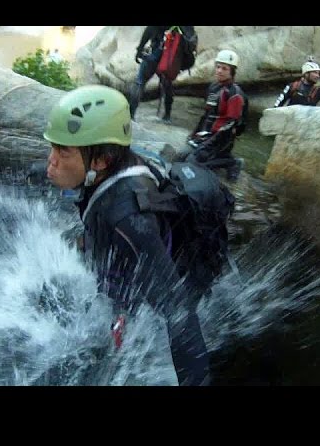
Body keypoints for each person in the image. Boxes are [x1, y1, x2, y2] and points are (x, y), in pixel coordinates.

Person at [43, 84, 212, 386]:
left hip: (148, 272)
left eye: (62, 150)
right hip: (124, 256)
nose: (51, 160)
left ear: (101, 161)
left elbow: (179, 314)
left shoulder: (129, 219)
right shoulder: (108, 169)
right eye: (53, 147)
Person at [185, 49, 246, 182]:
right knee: (183, 156)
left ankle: (232, 162)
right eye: (218, 67)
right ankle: (220, 157)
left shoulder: (234, 94)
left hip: (222, 138)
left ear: (232, 72)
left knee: (196, 164)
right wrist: (194, 133)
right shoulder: (213, 88)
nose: (219, 71)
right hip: (209, 134)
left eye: (224, 68)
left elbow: (230, 125)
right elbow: (206, 114)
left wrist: (207, 145)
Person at [129, 26, 195, 123]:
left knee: (140, 81)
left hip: (156, 51)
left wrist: (140, 49)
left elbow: (150, 30)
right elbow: (191, 41)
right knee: (167, 84)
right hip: (171, 57)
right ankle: (167, 116)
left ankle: (131, 115)